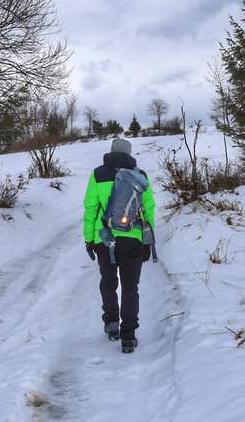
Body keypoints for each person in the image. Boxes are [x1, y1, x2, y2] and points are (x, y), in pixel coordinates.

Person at [82, 137, 156, 353]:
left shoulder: (98, 174)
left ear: (111, 150)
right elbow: (149, 209)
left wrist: (89, 239)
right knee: (130, 287)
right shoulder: (140, 175)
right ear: (129, 153)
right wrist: (147, 240)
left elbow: (91, 209)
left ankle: (112, 323)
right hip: (133, 237)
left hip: (104, 238)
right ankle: (128, 337)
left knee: (108, 282)